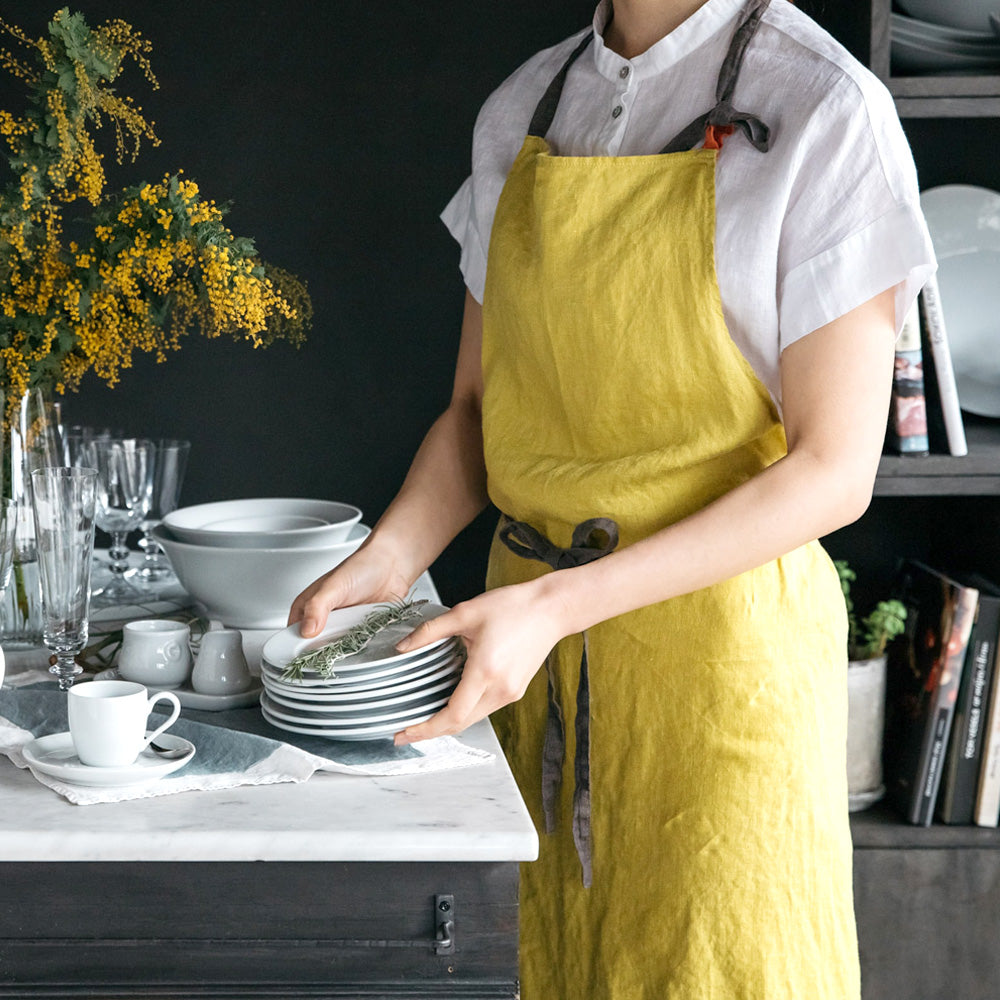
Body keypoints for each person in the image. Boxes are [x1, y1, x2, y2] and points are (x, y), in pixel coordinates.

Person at [289, 0, 936, 996]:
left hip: (714, 683)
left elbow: (832, 471)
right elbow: (476, 411)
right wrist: (392, 554)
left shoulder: (825, 107)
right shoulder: (522, 111)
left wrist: (554, 604)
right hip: (524, 671)